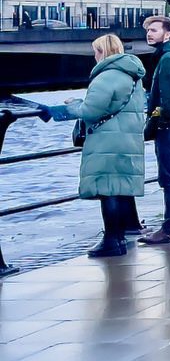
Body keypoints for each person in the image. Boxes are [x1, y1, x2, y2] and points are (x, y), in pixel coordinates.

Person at [45, 34, 147, 258]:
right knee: (118, 188)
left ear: (102, 52)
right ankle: (119, 238)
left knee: (107, 189)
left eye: (95, 51)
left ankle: (112, 240)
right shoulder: (133, 77)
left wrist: (73, 106)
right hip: (127, 140)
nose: (94, 56)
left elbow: (91, 111)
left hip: (106, 140)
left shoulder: (106, 76)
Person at [138, 15, 170, 245]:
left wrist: (154, 122)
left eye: (155, 30)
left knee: (168, 178)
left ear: (167, 34)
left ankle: (169, 229)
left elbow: (167, 103)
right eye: (148, 30)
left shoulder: (168, 59)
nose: (149, 33)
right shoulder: (168, 56)